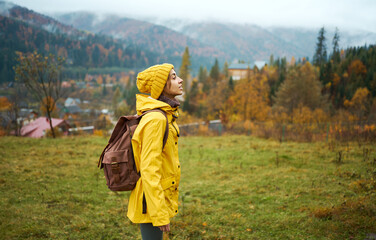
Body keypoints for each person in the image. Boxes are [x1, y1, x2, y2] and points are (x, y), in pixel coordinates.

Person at [127, 63, 183, 240]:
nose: (180, 80)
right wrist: (159, 214)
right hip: (150, 203)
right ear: (161, 87)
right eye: (173, 77)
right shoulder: (156, 120)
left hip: (156, 199)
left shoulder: (164, 115)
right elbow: (149, 170)